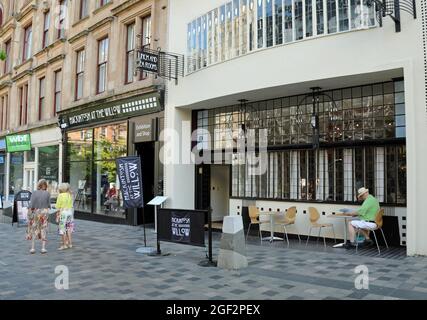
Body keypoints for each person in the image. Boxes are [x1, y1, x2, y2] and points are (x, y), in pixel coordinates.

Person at [27, 179, 51, 254]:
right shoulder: (47, 193)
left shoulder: (34, 193)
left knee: (34, 229)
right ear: (45, 185)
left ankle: (32, 248)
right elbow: (49, 205)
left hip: (36, 212)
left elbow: (31, 205)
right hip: (44, 212)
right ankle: (43, 248)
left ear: (38, 185)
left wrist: (29, 214)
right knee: (43, 229)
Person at [55, 183, 75, 250]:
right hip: (69, 213)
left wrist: (57, 215)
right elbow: (71, 204)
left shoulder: (60, 195)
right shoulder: (69, 195)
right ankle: (70, 244)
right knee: (68, 228)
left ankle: (64, 245)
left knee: (62, 229)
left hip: (63, 213)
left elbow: (58, 206)